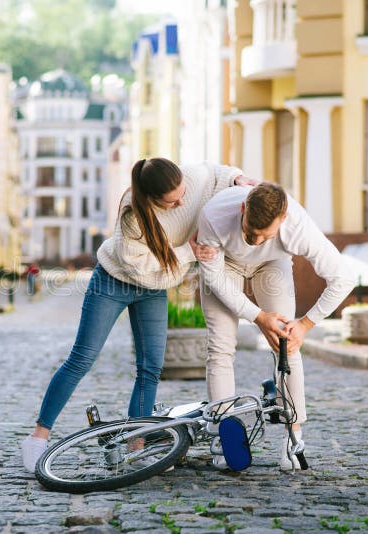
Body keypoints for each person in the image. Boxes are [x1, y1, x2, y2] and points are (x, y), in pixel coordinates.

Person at [20, 158, 271, 472]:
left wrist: (238, 179)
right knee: (82, 358)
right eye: (173, 201)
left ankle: (137, 443)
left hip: (154, 289)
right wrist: (187, 252)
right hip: (114, 281)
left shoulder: (188, 180)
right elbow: (145, 268)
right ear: (152, 199)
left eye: (183, 193)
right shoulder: (132, 217)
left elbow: (214, 173)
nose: (182, 201)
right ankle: (38, 436)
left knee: (150, 367)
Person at [195, 182, 356, 470]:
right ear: (243, 208)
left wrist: (305, 325)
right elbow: (213, 276)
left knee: (287, 343)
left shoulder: (298, 227)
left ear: (283, 219)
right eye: (249, 231)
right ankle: (223, 435)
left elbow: (344, 278)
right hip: (224, 266)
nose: (255, 240)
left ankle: (293, 435)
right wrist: (258, 316)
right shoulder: (215, 214)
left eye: (263, 234)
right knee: (220, 345)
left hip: (272, 263)